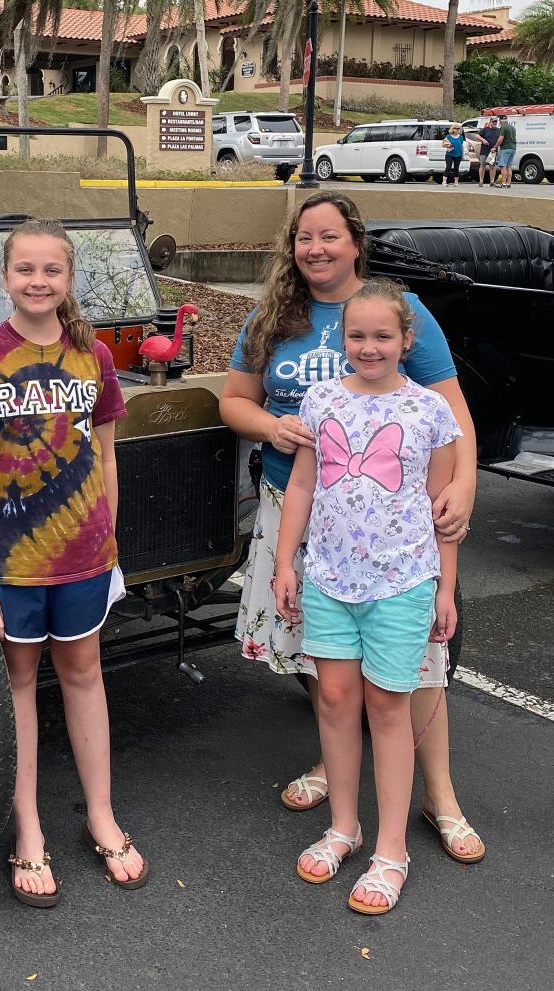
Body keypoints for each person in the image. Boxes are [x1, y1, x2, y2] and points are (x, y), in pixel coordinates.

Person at [219, 191, 485, 865]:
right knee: (328, 665)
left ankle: (440, 795)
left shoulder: (398, 309)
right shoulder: (274, 314)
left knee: (412, 665)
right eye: (304, 237)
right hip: (300, 505)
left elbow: (450, 416)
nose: (316, 249)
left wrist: (461, 488)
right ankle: (337, 773)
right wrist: (271, 425)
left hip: (394, 515)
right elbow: (234, 401)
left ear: (355, 242)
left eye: (330, 236)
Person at [0, 218, 148, 908]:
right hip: (10, 560)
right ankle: (27, 825)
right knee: (20, 682)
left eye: (51, 270)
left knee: (84, 672)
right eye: (24, 270)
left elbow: (106, 456)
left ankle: (101, 813)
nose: (37, 281)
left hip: (83, 554)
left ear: (68, 279)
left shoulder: (96, 359)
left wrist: (107, 542)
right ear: (4, 279)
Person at [275, 278, 462, 914]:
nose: (370, 347)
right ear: (343, 339)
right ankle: (344, 827)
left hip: (402, 581)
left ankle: (391, 850)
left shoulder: (428, 412)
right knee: (333, 698)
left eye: (383, 336)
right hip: (329, 576)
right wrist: (284, 563)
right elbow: (302, 485)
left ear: (406, 340)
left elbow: (442, 512)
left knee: (387, 705)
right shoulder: (321, 399)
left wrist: (446, 586)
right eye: (358, 335)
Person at [470, 115, 500, 187]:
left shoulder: (498, 130)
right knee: (482, 166)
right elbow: (476, 136)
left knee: (492, 167)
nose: (494, 123)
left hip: (493, 152)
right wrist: (483, 140)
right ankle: (481, 181)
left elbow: (500, 139)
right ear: (490, 122)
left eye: (495, 122)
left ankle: (492, 181)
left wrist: (496, 147)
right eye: (493, 122)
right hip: (484, 151)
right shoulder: (484, 129)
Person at [495, 114, 517, 188]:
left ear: (500, 120)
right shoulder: (512, 128)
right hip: (513, 148)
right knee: (509, 166)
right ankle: (508, 183)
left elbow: (501, 138)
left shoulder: (503, 127)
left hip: (505, 148)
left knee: (503, 166)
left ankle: (503, 183)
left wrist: (496, 146)